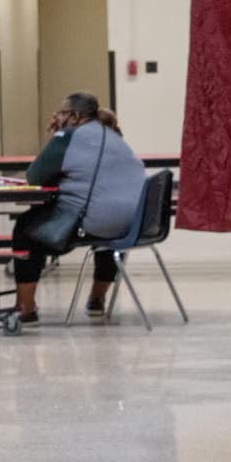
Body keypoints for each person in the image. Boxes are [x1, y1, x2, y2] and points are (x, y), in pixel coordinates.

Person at [13, 92, 145, 325]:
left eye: (62, 113)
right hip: (129, 225)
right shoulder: (114, 136)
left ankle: (26, 308)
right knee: (107, 228)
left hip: (91, 221)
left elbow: (35, 176)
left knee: (25, 229)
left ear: (75, 116)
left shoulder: (67, 136)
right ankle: (97, 299)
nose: (58, 117)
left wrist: (55, 139)